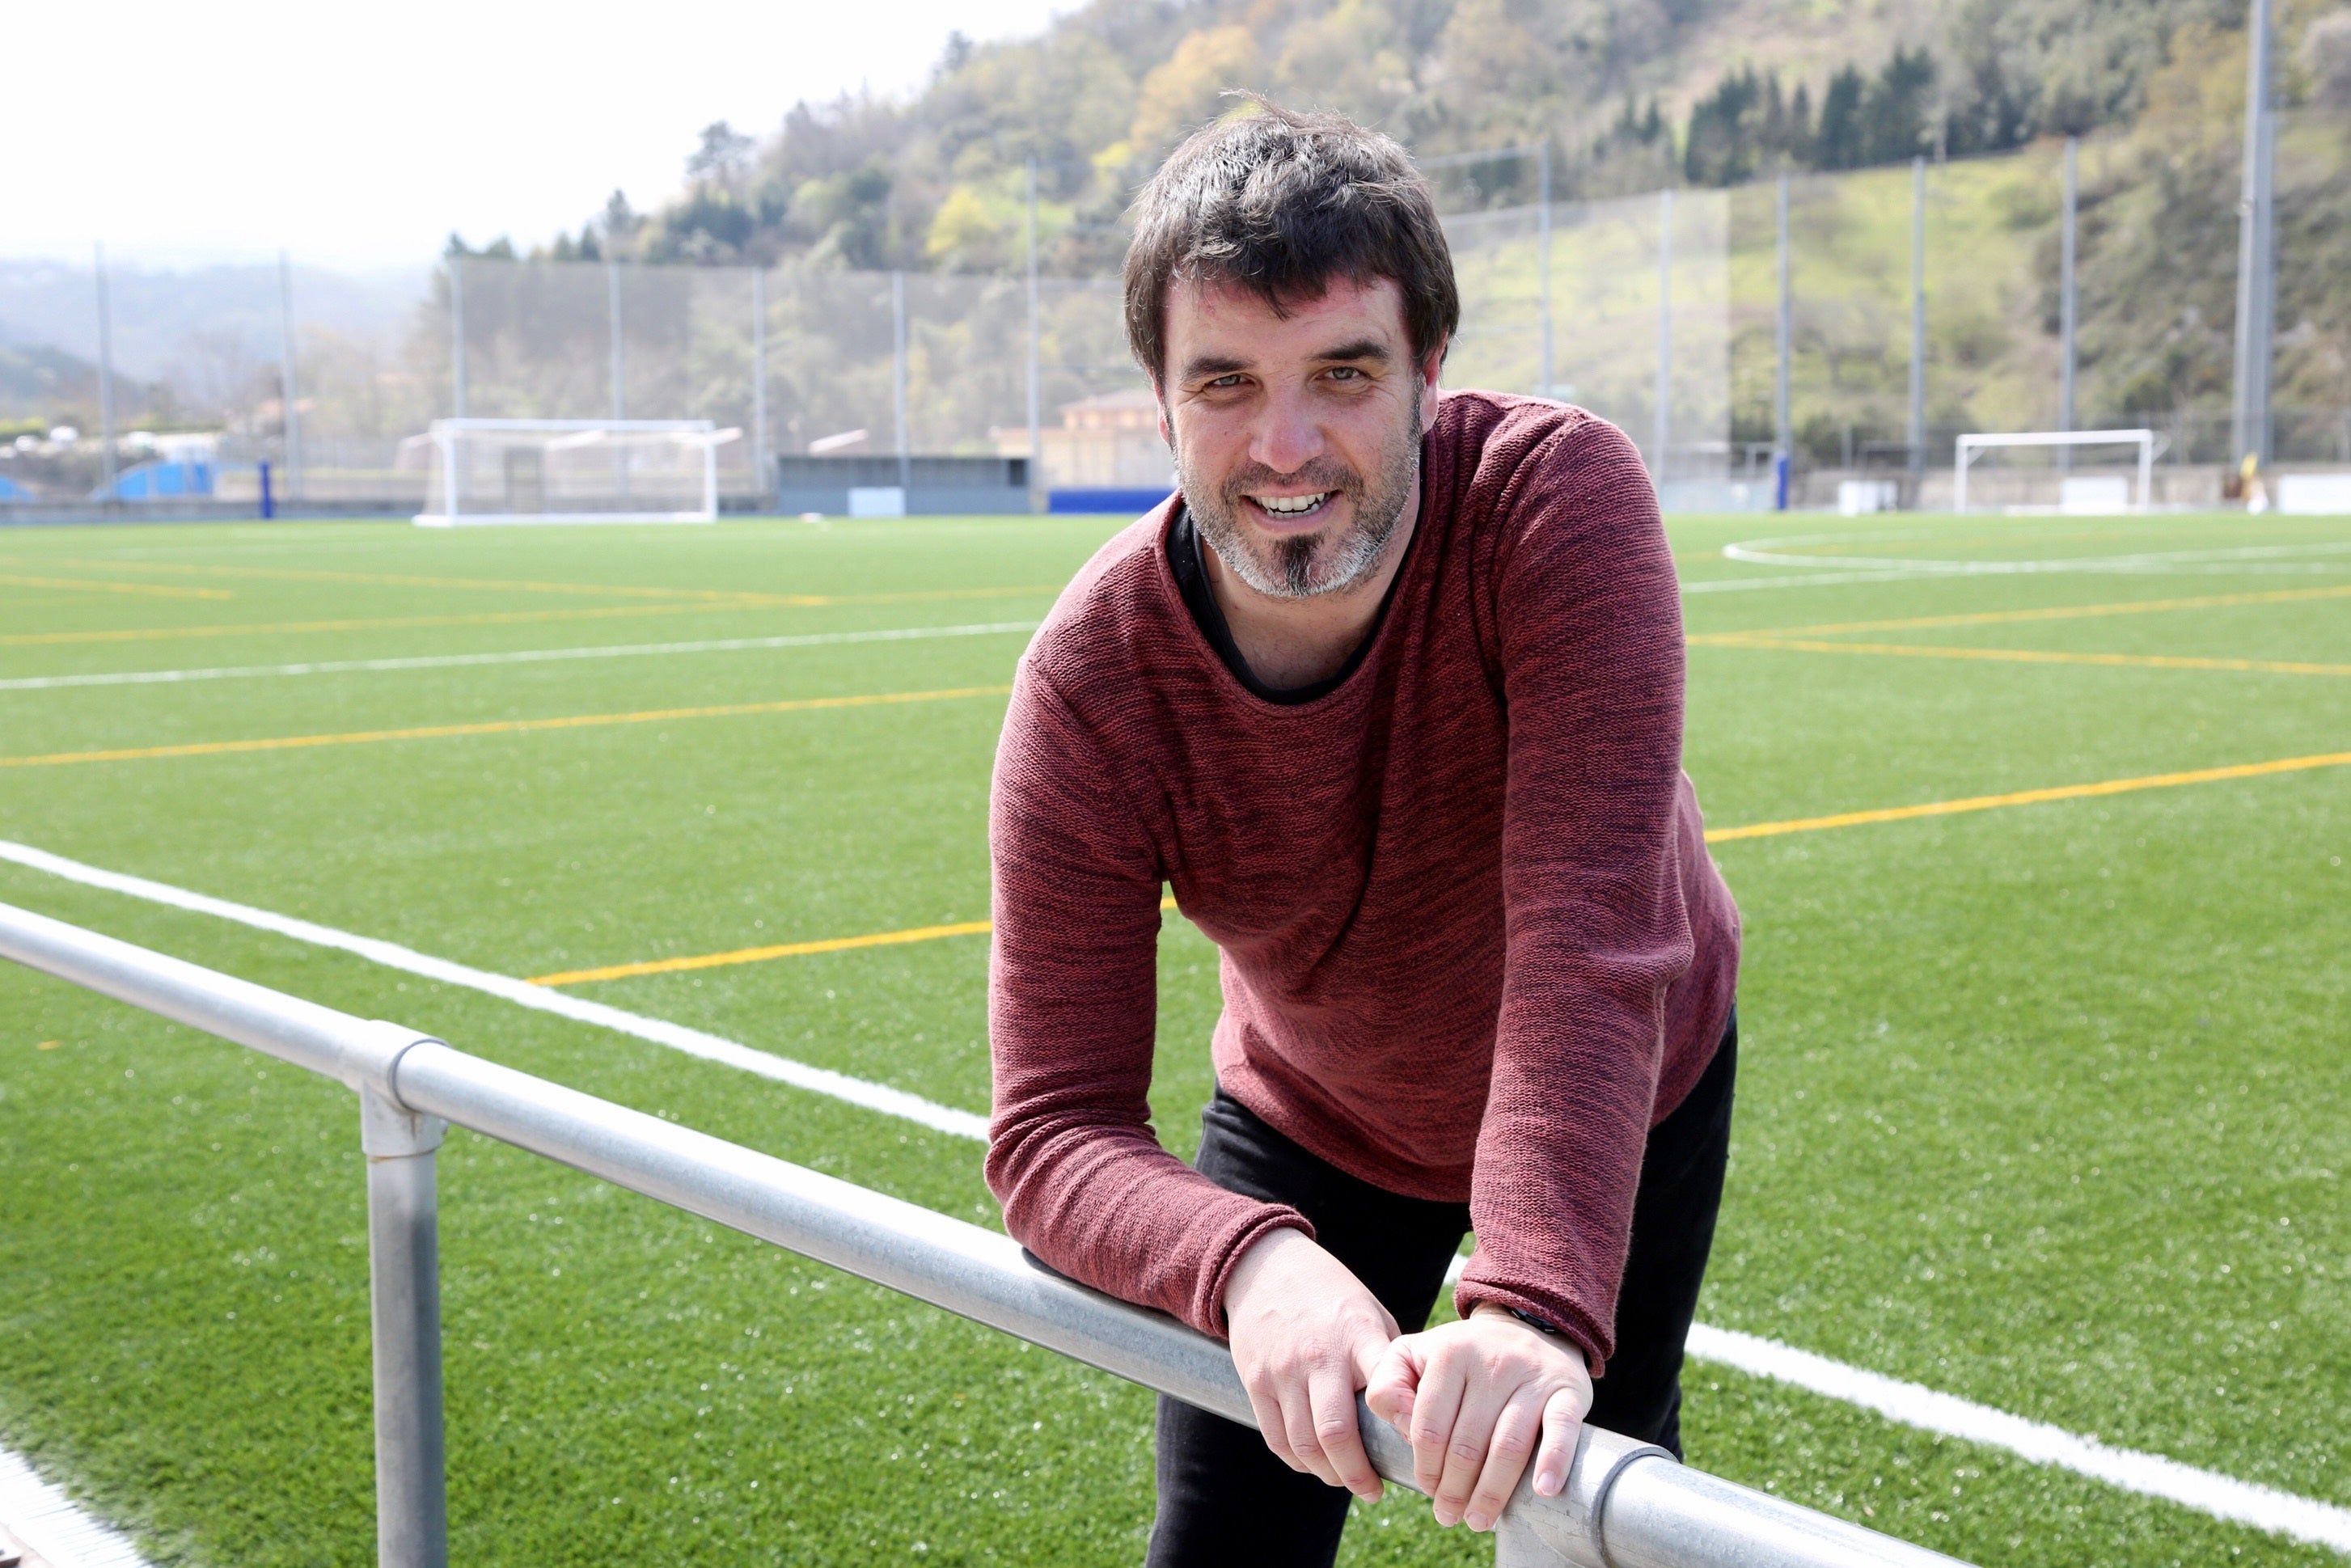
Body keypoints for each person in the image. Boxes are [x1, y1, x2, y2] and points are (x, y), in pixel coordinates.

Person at [986, 101, 1740, 1567]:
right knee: (1228, 1539)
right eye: (1225, 383)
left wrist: (1532, 1305)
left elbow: (1588, 945)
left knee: (1598, 1504)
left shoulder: (1553, 504)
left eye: (1342, 373)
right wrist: (1250, 1263)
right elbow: (1051, 1129)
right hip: (1314, 1106)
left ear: (1428, 373)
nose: (1284, 445)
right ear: (1159, 402)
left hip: (1625, 1063)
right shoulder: (1093, 683)